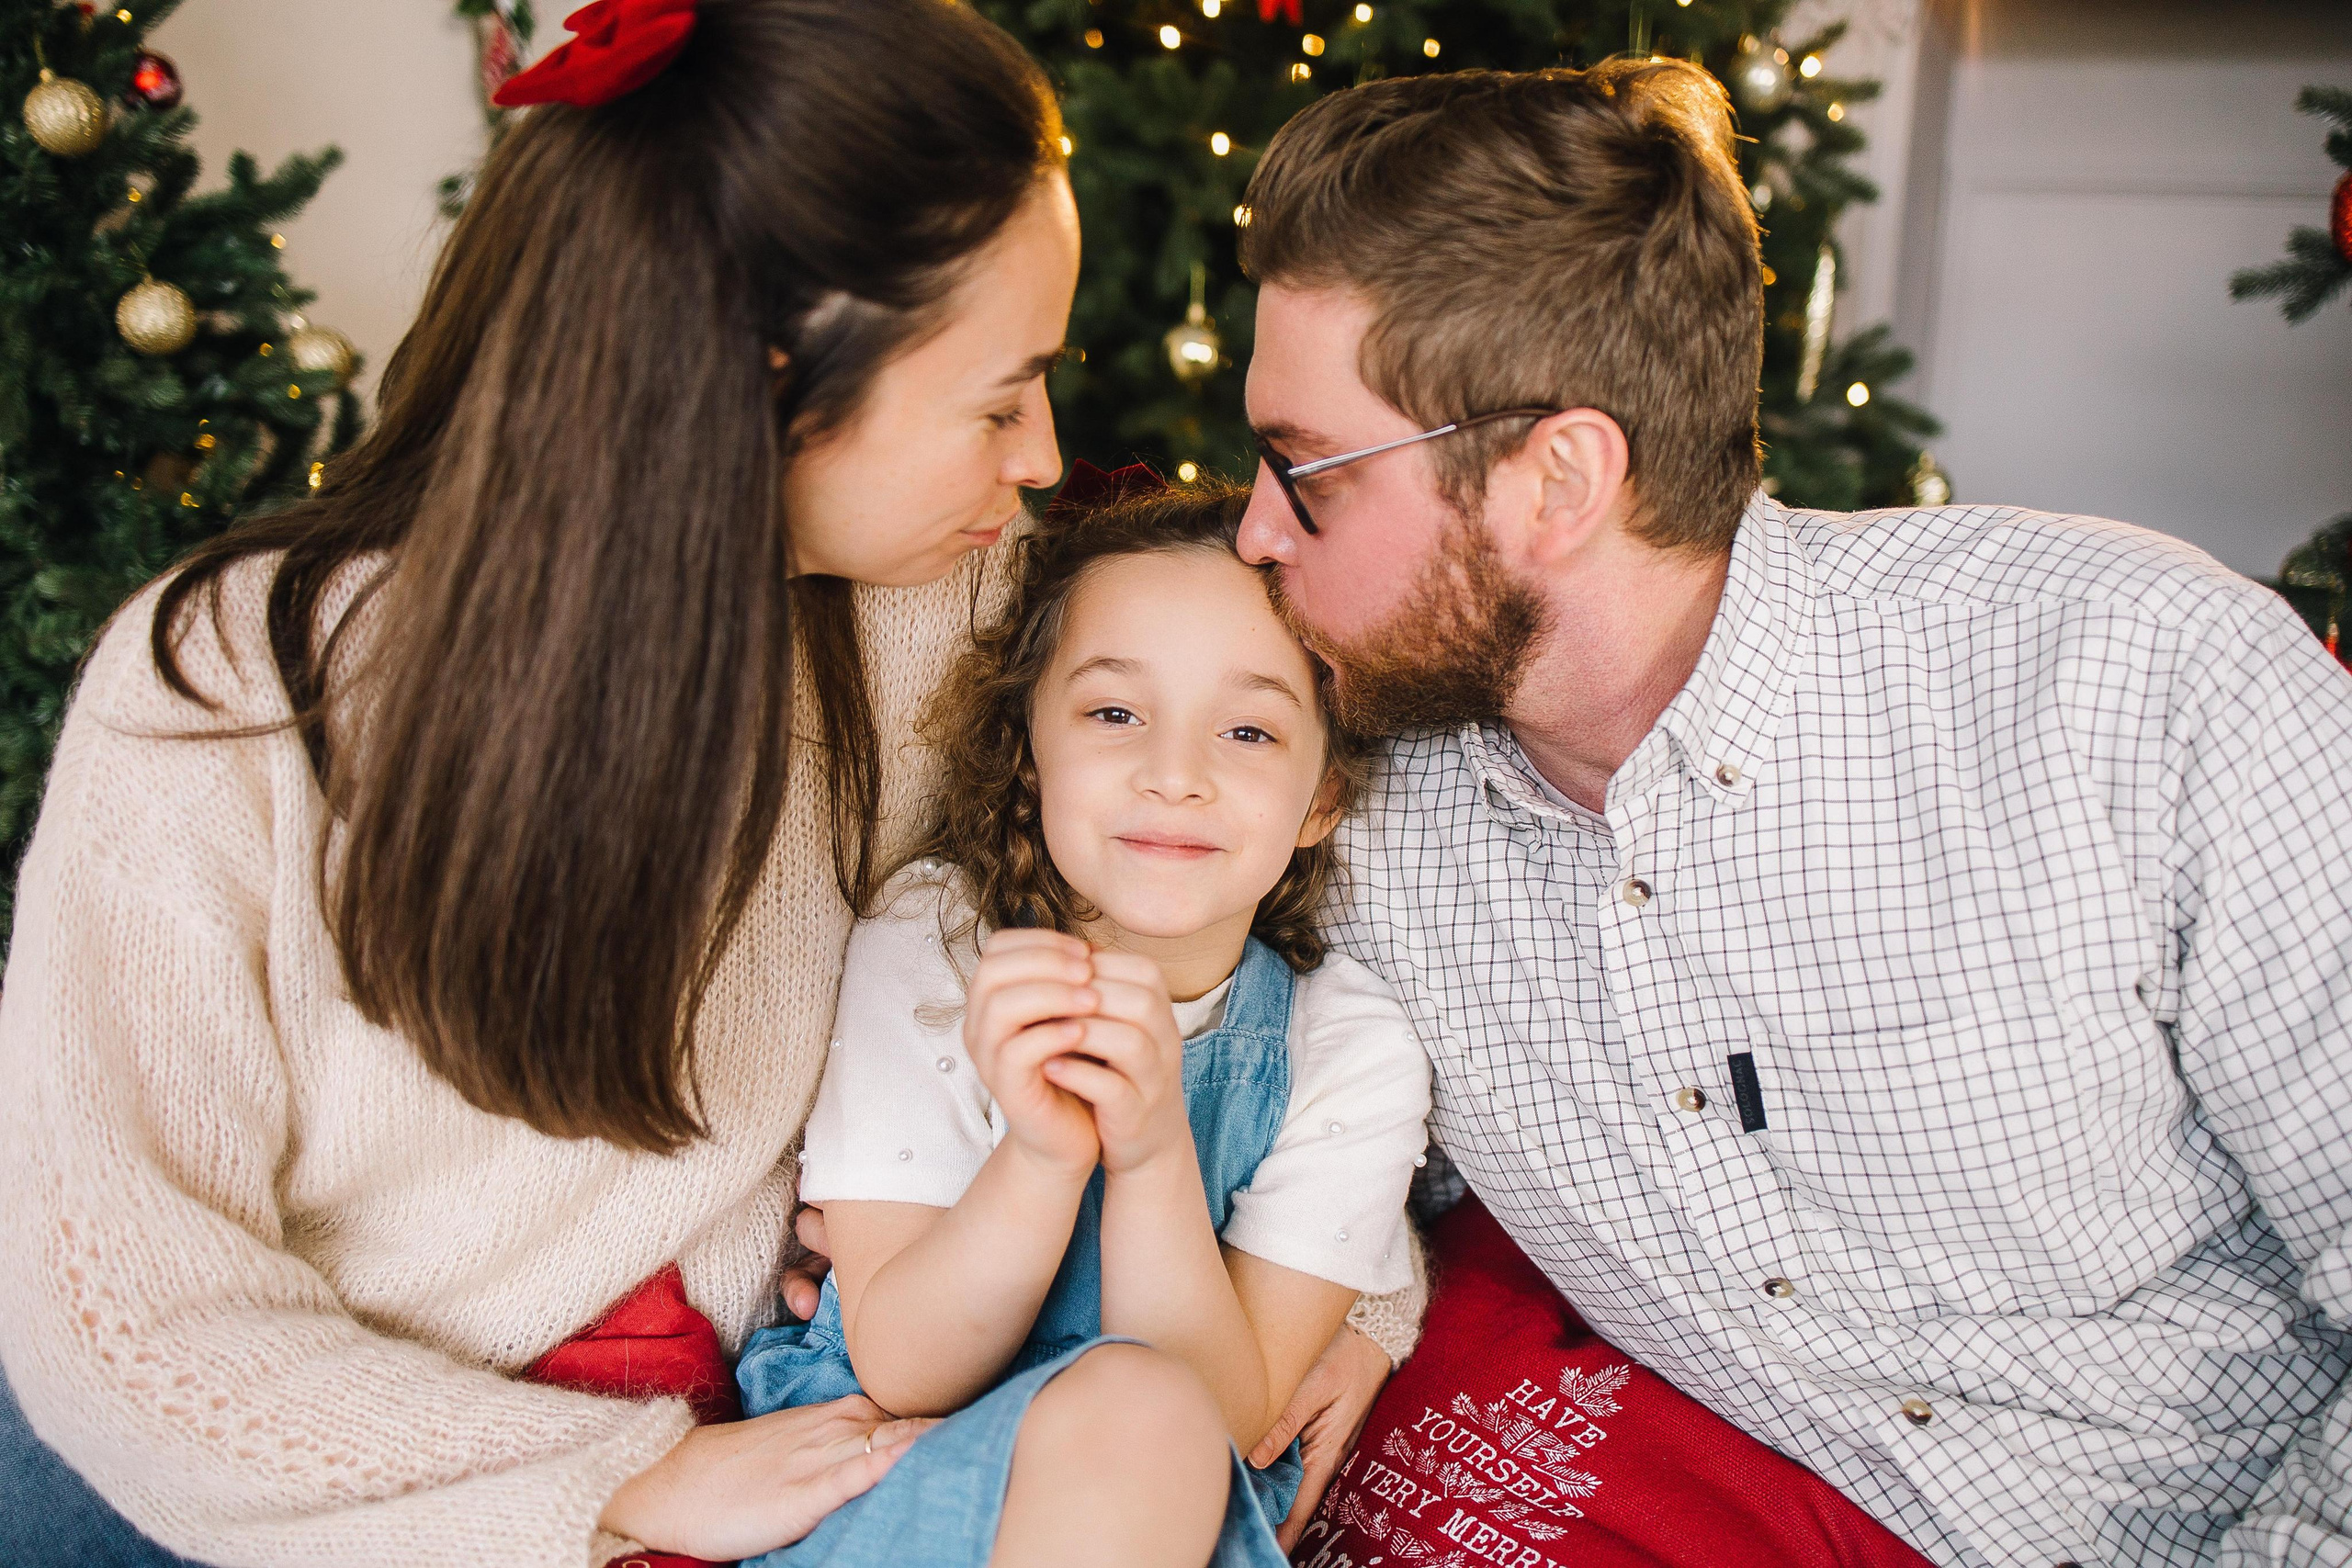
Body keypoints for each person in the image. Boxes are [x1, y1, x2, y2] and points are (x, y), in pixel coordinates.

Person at [0, 3, 1421, 1562]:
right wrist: (614, 1482)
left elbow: (1197, 901)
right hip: (334, 1479)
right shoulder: (229, 692)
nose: (1041, 457)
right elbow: (115, 1317)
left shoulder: (937, 606)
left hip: (777, 1429)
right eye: (999, 395)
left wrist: (1344, 1285)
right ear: (761, 386)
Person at [1231, 56, 2352, 1568]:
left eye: (1308, 475)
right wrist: (1364, 1303)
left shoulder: (2142, 683)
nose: (1251, 529)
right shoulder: (1352, 796)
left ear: (1560, 479)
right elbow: (1295, 1119)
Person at [731, 477, 1432, 1568]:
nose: (1174, 774)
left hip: (1151, 1513)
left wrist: (1152, 1156)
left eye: (1249, 731)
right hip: (894, 1475)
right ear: (1030, 747)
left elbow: (1225, 1416)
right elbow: (906, 1365)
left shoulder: (1349, 1048)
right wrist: (1045, 1156)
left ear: (1323, 798)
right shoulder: (932, 947)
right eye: (1114, 713)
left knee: (1140, 1413)